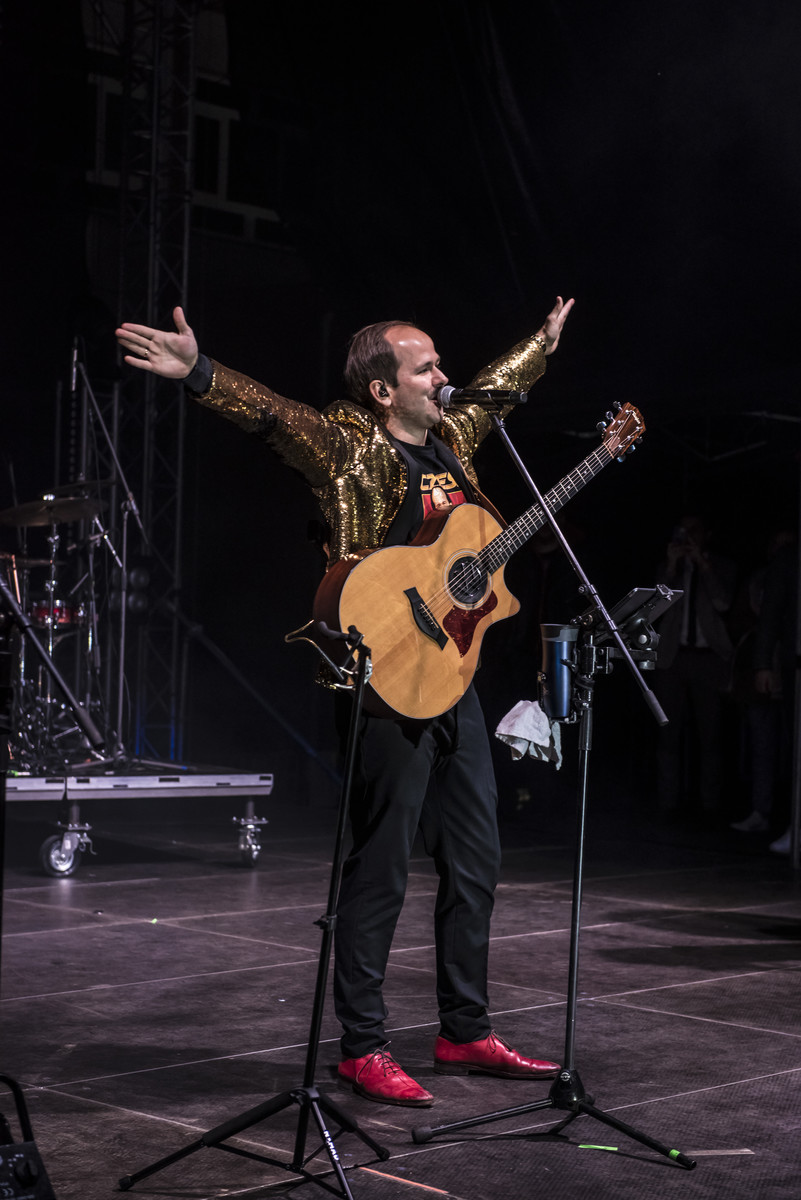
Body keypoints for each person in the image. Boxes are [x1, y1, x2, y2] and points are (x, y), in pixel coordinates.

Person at [116, 296, 574, 1107]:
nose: (443, 377)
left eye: (439, 364)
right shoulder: (350, 447)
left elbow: (496, 392)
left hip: (452, 678)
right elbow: (273, 415)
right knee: (381, 869)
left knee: (477, 861)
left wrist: (537, 345)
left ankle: (464, 1030)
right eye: (424, 369)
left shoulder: (452, 439)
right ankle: (363, 1047)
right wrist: (201, 372)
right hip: (382, 677)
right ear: (382, 390)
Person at [653, 514, 736, 822]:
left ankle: (710, 806)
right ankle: (667, 804)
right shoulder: (669, 568)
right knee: (668, 735)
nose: (687, 536)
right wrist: (671, 567)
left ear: (707, 534)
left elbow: (723, 603)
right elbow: (654, 610)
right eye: (682, 530)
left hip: (708, 658)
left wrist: (703, 564)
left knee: (710, 735)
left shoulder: (721, 566)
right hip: (673, 658)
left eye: (694, 531)